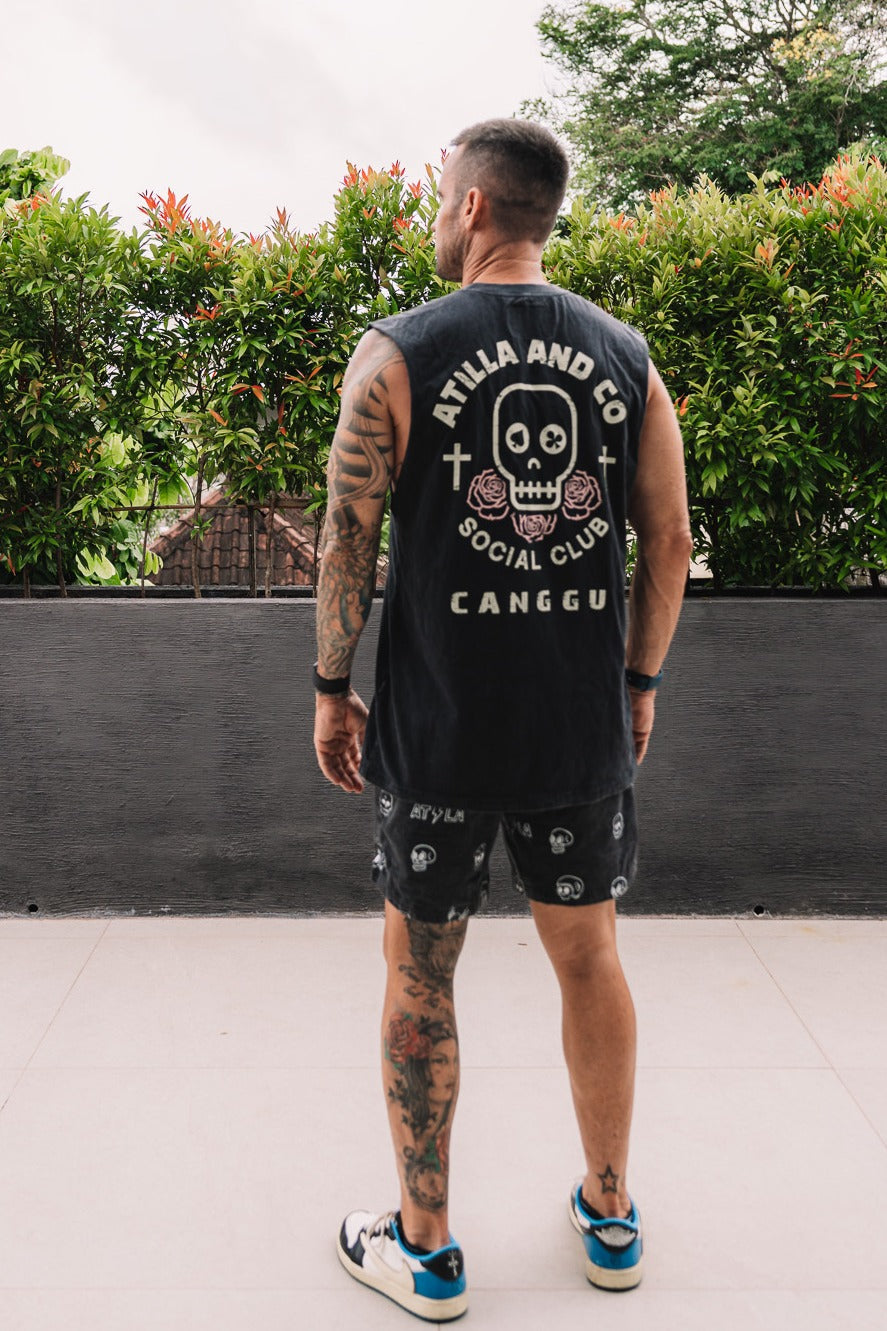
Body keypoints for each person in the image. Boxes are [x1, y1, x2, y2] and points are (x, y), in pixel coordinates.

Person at [313, 118, 693, 1322]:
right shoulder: (626, 358)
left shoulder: (397, 352)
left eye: (442, 197)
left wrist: (330, 684)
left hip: (436, 726)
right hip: (575, 723)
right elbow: (668, 540)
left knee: (419, 966)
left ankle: (425, 1248)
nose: (438, 214)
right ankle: (611, 1213)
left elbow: (346, 535)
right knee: (590, 958)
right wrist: (637, 683)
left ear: (474, 206)